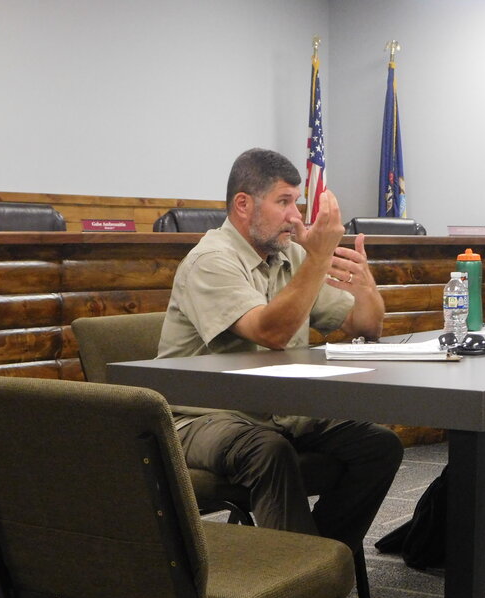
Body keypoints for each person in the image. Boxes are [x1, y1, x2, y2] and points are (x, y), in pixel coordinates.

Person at [157, 147, 403, 555]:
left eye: (297, 202)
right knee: (269, 451)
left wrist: (365, 283)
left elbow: (366, 325)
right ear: (243, 205)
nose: (296, 215)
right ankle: (302, 583)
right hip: (199, 417)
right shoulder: (211, 260)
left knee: (379, 446)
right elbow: (269, 331)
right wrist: (319, 258)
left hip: (272, 408)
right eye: (283, 202)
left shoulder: (287, 254)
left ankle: (320, 562)